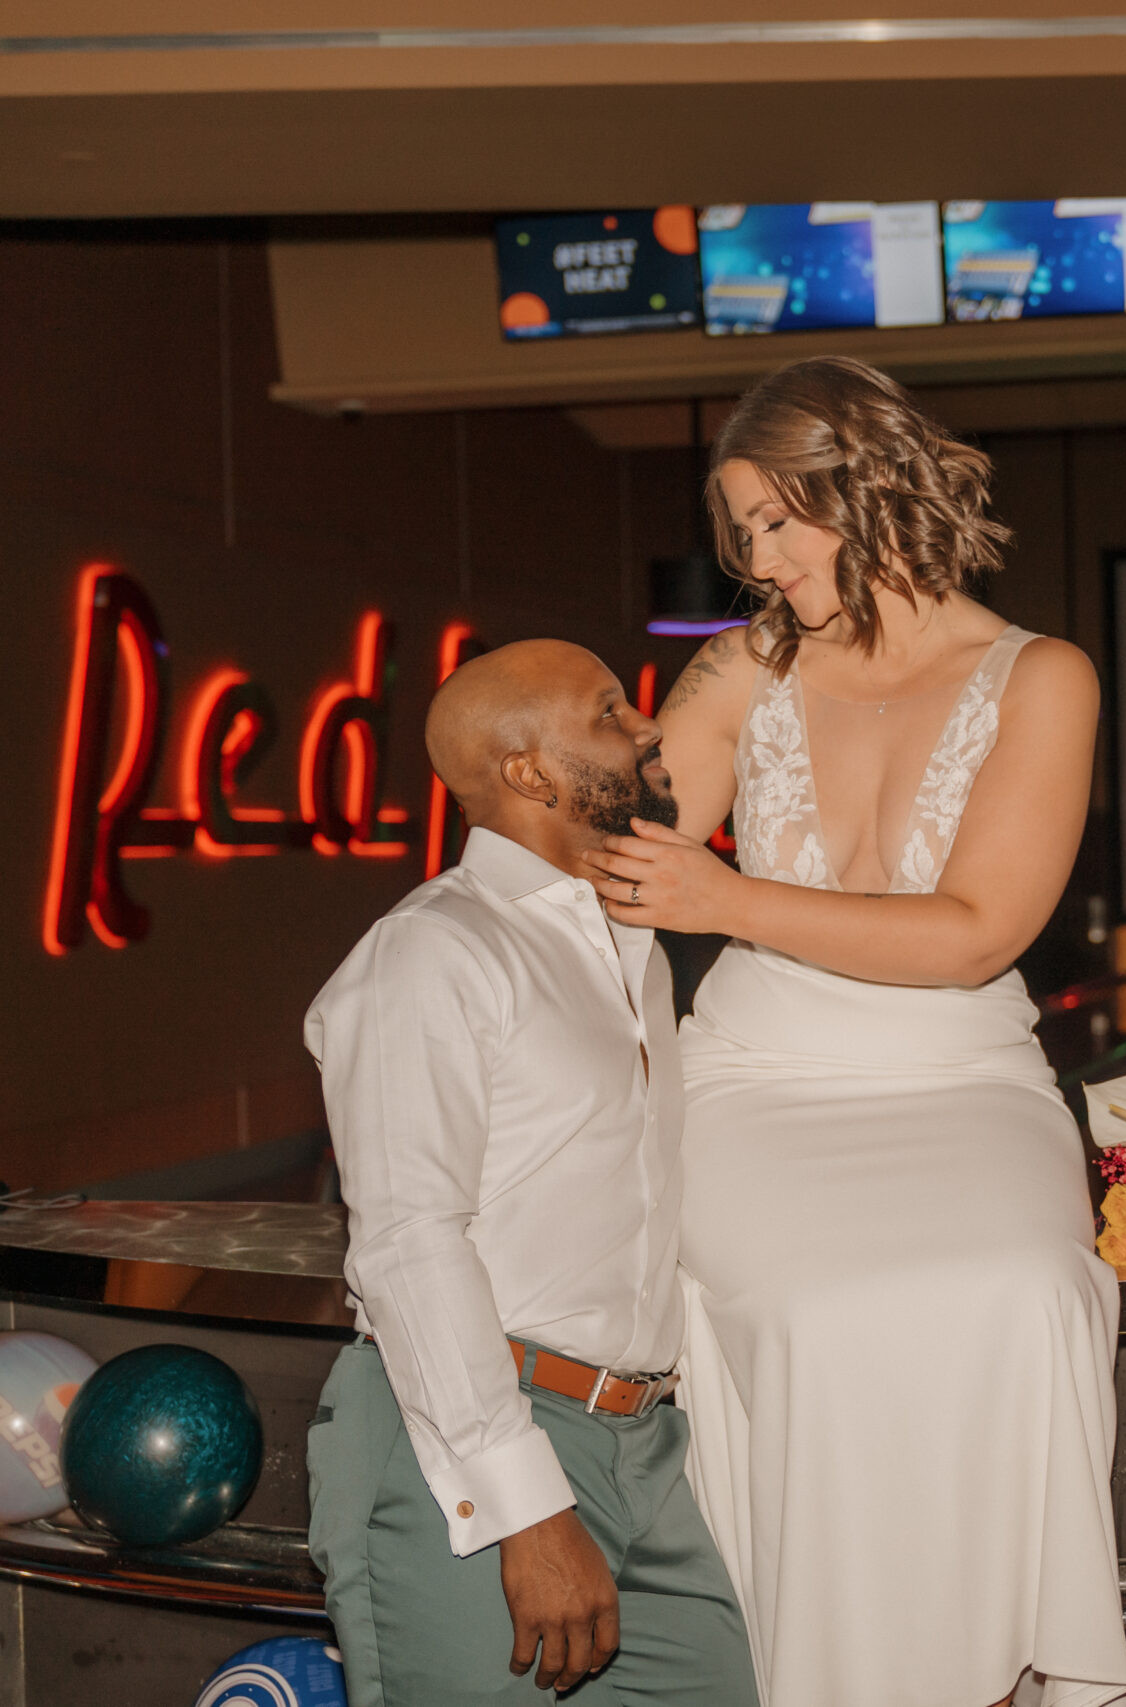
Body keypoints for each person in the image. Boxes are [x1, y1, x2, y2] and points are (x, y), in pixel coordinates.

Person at [579, 357, 1126, 1707]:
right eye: (742, 532)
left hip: (959, 1074)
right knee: (810, 1314)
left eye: (778, 519)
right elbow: (631, 854)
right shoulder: (739, 672)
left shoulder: (1041, 676)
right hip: (761, 1074)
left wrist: (722, 894)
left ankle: (990, 1669)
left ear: (868, 485)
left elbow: (974, 931)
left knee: (1025, 1289)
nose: (758, 560)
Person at [304, 641, 759, 1707]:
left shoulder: (625, 942)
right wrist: (525, 1507)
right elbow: (409, 1240)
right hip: (473, 1440)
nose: (648, 725)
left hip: (642, 1446)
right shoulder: (433, 952)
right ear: (530, 774)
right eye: (608, 712)